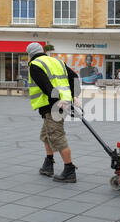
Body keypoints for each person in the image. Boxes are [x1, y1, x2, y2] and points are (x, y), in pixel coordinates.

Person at [26, 42, 81, 183]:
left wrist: (58, 100)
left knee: (57, 137)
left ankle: (69, 170)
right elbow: (74, 76)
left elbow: (46, 86)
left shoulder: (35, 65)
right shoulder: (56, 61)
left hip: (53, 106)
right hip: (60, 103)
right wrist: (74, 95)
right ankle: (48, 164)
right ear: (42, 51)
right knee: (46, 135)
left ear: (30, 54)